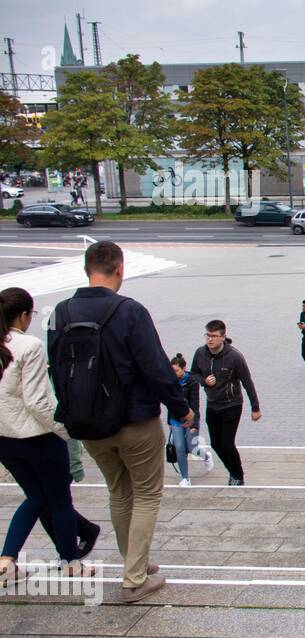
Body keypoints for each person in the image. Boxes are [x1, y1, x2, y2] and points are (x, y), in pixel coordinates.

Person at [47, 242, 194, 601]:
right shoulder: (129, 311)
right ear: (120, 269)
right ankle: (134, 578)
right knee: (145, 494)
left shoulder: (60, 313)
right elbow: (157, 368)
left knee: (119, 491)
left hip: (86, 423)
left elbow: (56, 369)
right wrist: (181, 408)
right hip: (134, 420)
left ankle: (136, 560)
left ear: (86, 269)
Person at [0, 287, 99, 584]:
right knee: (59, 500)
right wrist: (65, 431)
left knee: (36, 496)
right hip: (38, 437)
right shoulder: (29, 346)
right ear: (22, 315)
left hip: (4, 440)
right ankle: (71, 562)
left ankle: (8, 560)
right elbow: (37, 401)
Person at [192, 320, 261, 486]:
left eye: (214, 336)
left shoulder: (234, 357)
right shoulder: (200, 353)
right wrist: (204, 381)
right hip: (212, 404)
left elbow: (247, 381)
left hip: (232, 405)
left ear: (223, 337)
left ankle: (237, 475)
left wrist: (255, 407)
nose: (210, 339)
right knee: (216, 444)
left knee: (227, 444)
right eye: (207, 335)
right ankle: (232, 470)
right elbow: (193, 374)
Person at [166, 353, 210, 487]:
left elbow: (195, 405)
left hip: (190, 419)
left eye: (176, 371)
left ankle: (206, 456)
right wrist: (169, 422)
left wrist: (194, 423)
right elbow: (170, 403)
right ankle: (185, 478)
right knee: (179, 448)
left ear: (184, 368)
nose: (173, 374)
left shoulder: (192, 382)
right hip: (175, 419)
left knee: (192, 448)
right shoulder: (170, 382)